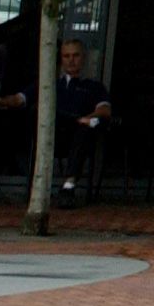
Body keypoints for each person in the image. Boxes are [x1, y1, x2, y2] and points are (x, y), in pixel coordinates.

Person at [51, 41, 114, 199]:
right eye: (66, 56)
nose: (71, 60)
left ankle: (69, 186)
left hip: (79, 136)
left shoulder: (93, 86)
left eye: (75, 55)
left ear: (83, 58)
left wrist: (87, 118)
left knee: (84, 129)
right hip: (52, 135)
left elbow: (105, 110)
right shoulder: (52, 85)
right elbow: (21, 98)